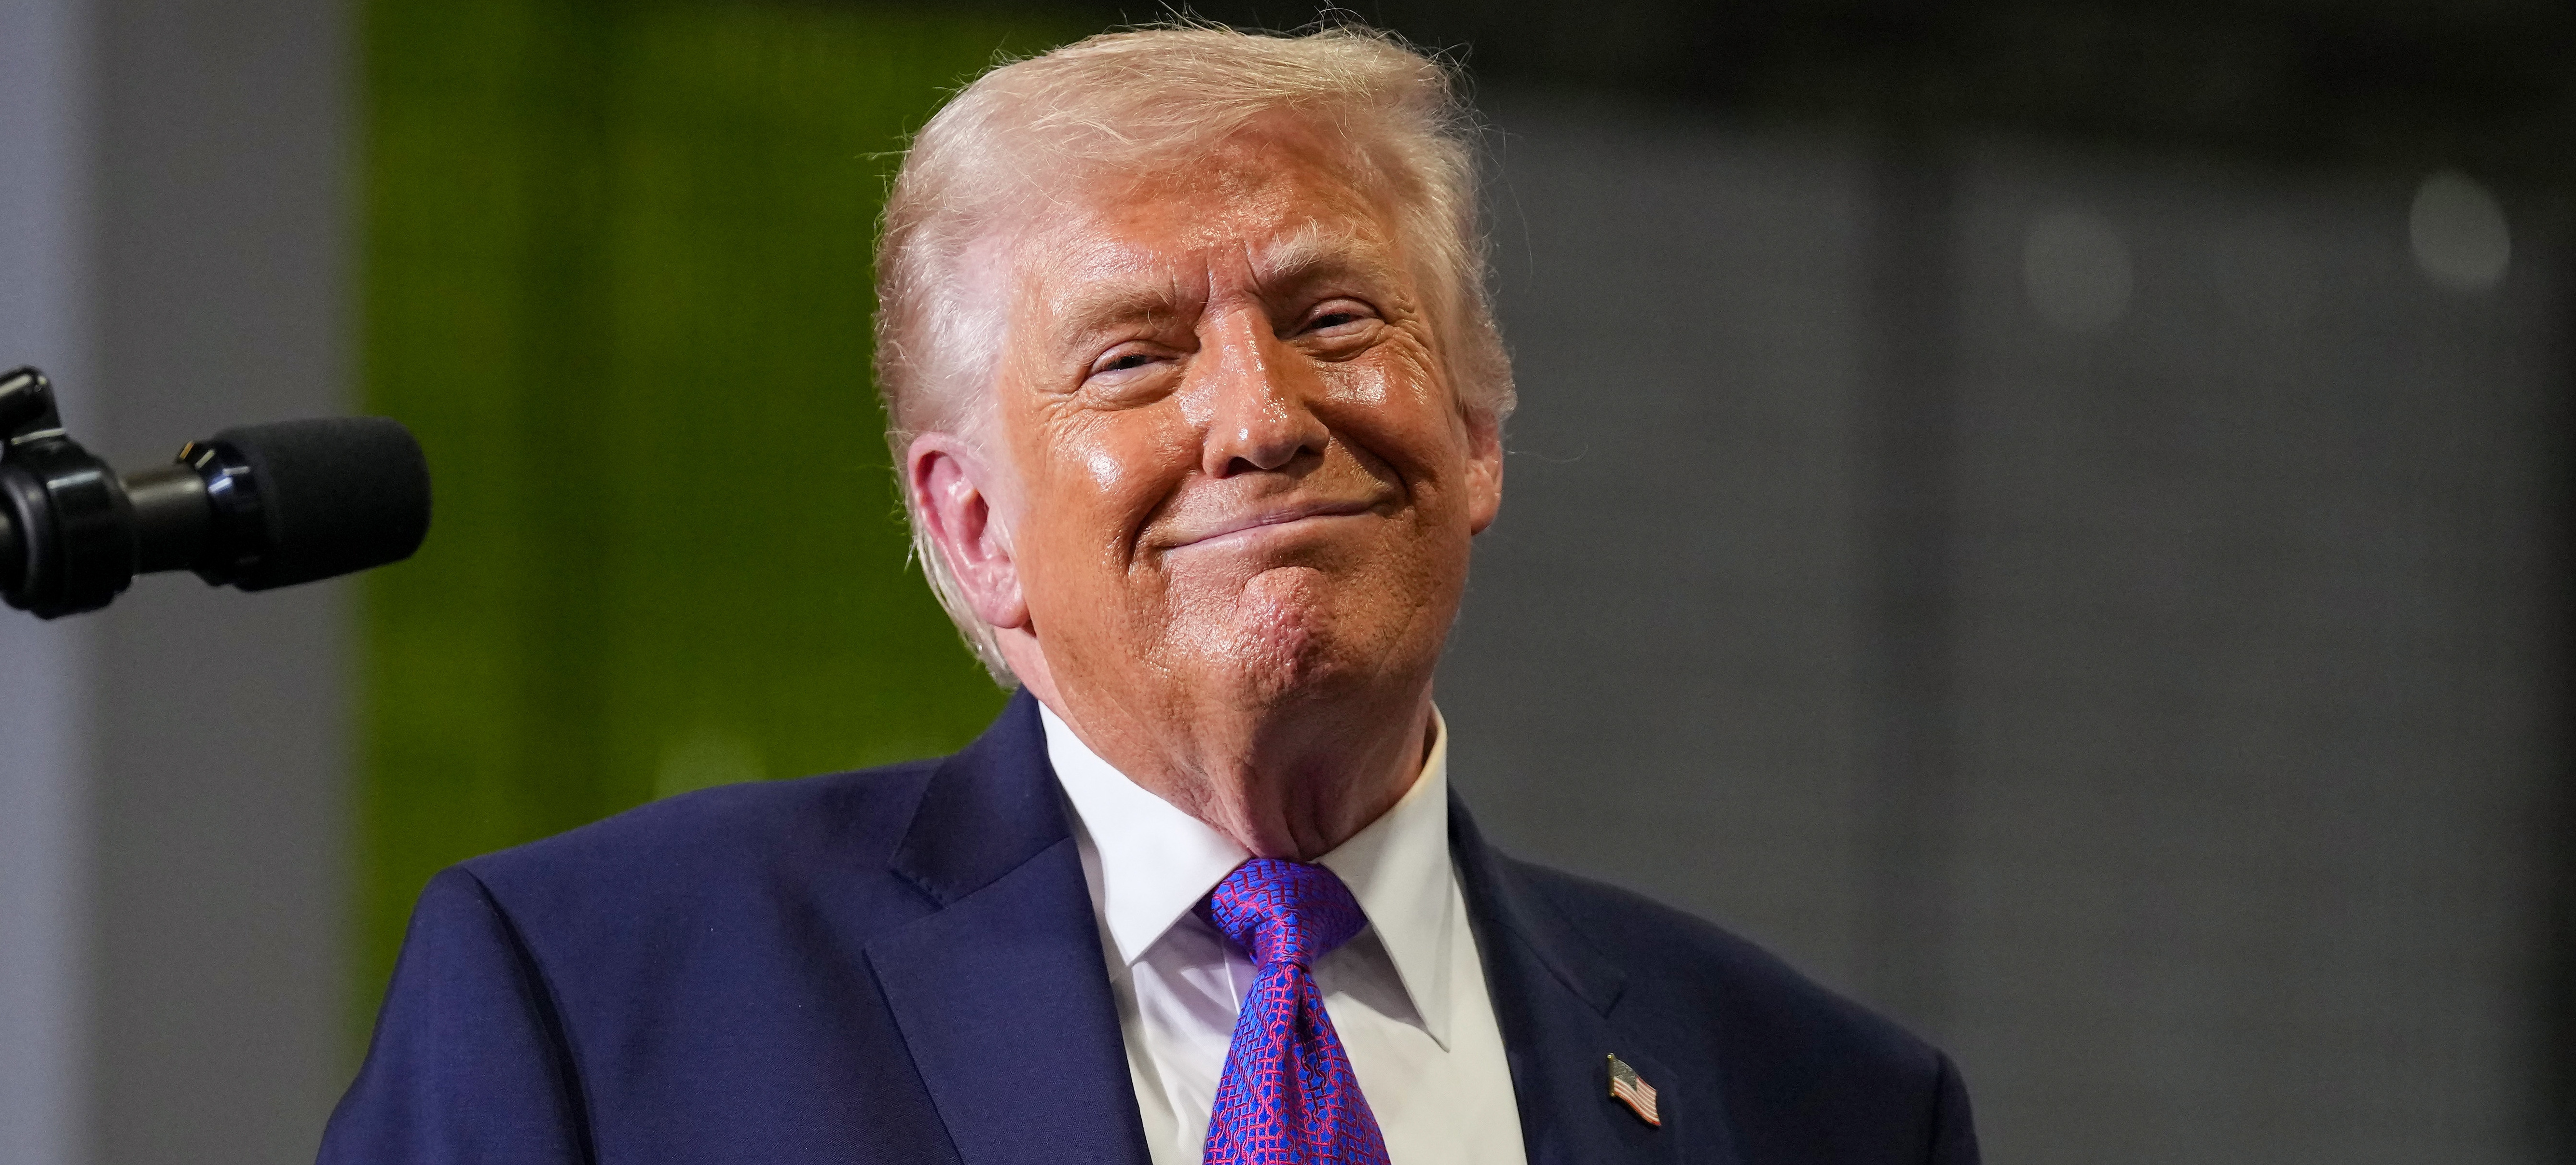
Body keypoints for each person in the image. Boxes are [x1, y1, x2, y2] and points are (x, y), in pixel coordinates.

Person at [321, 24, 1978, 1165]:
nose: (1259, 419)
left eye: (1336, 319)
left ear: (1474, 437)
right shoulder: (595, 1001)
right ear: (973, 532)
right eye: (1134, 357)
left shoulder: (1825, 1105)